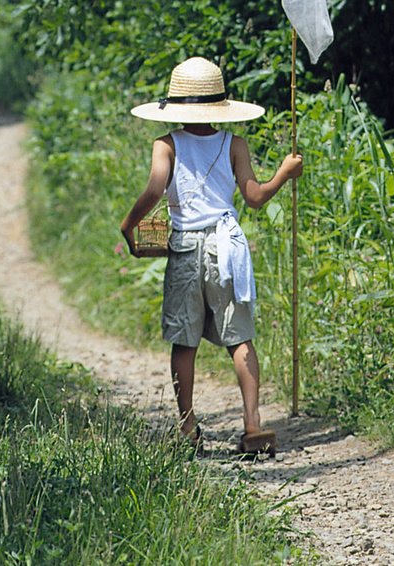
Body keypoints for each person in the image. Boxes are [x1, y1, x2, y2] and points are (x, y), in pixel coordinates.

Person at [119, 56, 303, 456]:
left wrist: (129, 224)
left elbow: (154, 191)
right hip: (225, 246)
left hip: (185, 246)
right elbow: (254, 198)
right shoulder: (234, 144)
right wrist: (284, 173)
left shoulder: (165, 144)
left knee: (184, 342)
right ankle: (253, 427)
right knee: (239, 337)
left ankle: (187, 428)